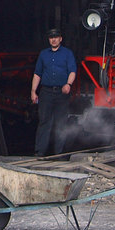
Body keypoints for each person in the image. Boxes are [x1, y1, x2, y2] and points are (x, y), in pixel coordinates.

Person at [31, 27, 77, 157]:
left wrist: (68, 84)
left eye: (56, 37)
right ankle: (40, 152)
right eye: (51, 38)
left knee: (61, 123)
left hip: (62, 93)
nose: (54, 40)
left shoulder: (67, 54)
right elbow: (37, 74)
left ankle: (59, 152)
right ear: (49, 40)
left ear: (60, 39)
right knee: (44, 121)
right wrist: (33, 91)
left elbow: (72, 70)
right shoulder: (43, 54)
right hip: (46, 92)